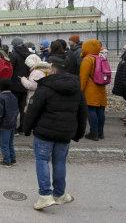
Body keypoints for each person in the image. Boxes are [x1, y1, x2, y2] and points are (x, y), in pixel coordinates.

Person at [24, 57, 87, 210]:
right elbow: (83, 113)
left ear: (53, 71)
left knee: (42, 161)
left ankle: (45, 195)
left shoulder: (45, 88)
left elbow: (33, 111)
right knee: (59, 162)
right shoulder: (77, 89)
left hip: (44, 132)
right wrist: (78, 134)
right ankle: (59, 194)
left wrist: (27, 129)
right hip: (65, 133)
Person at [79, 40, 108, 141]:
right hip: (101, 87)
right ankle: (101, 132)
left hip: (91, 89)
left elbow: (83, 77)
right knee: (100, 110)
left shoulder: (88, 59)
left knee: (91, 110)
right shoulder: (101, 57)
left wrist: (80, 90)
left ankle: (93, 132)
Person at [0, 78, 18, 167]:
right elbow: (16, 111)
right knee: (10, 143)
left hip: (4, 125)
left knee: (4, 144)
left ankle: (7, 160)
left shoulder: (1, 98)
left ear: (0, 87)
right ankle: (13, 158)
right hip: (12, 124)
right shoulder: (13, 97)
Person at [9, 37, 30, 135]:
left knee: (13, 108)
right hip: (26, 84)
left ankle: (13, 129)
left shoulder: (13, 55)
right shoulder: (30, 55)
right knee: (23, 108)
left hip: (14, 84)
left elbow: (10, 69)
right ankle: (23, 128)